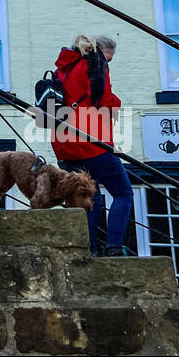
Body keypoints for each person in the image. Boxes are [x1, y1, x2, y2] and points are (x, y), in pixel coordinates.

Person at [52, 34, 132, 256]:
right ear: (102, 50)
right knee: (123, 193)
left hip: (63, 145)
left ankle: (89, 249)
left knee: (89, 197)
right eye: (109, 57)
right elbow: (104, 103)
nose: (109, 63)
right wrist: (117, 103)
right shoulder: (96, 63)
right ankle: (114, 247)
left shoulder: (63, 67)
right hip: (91, 143)